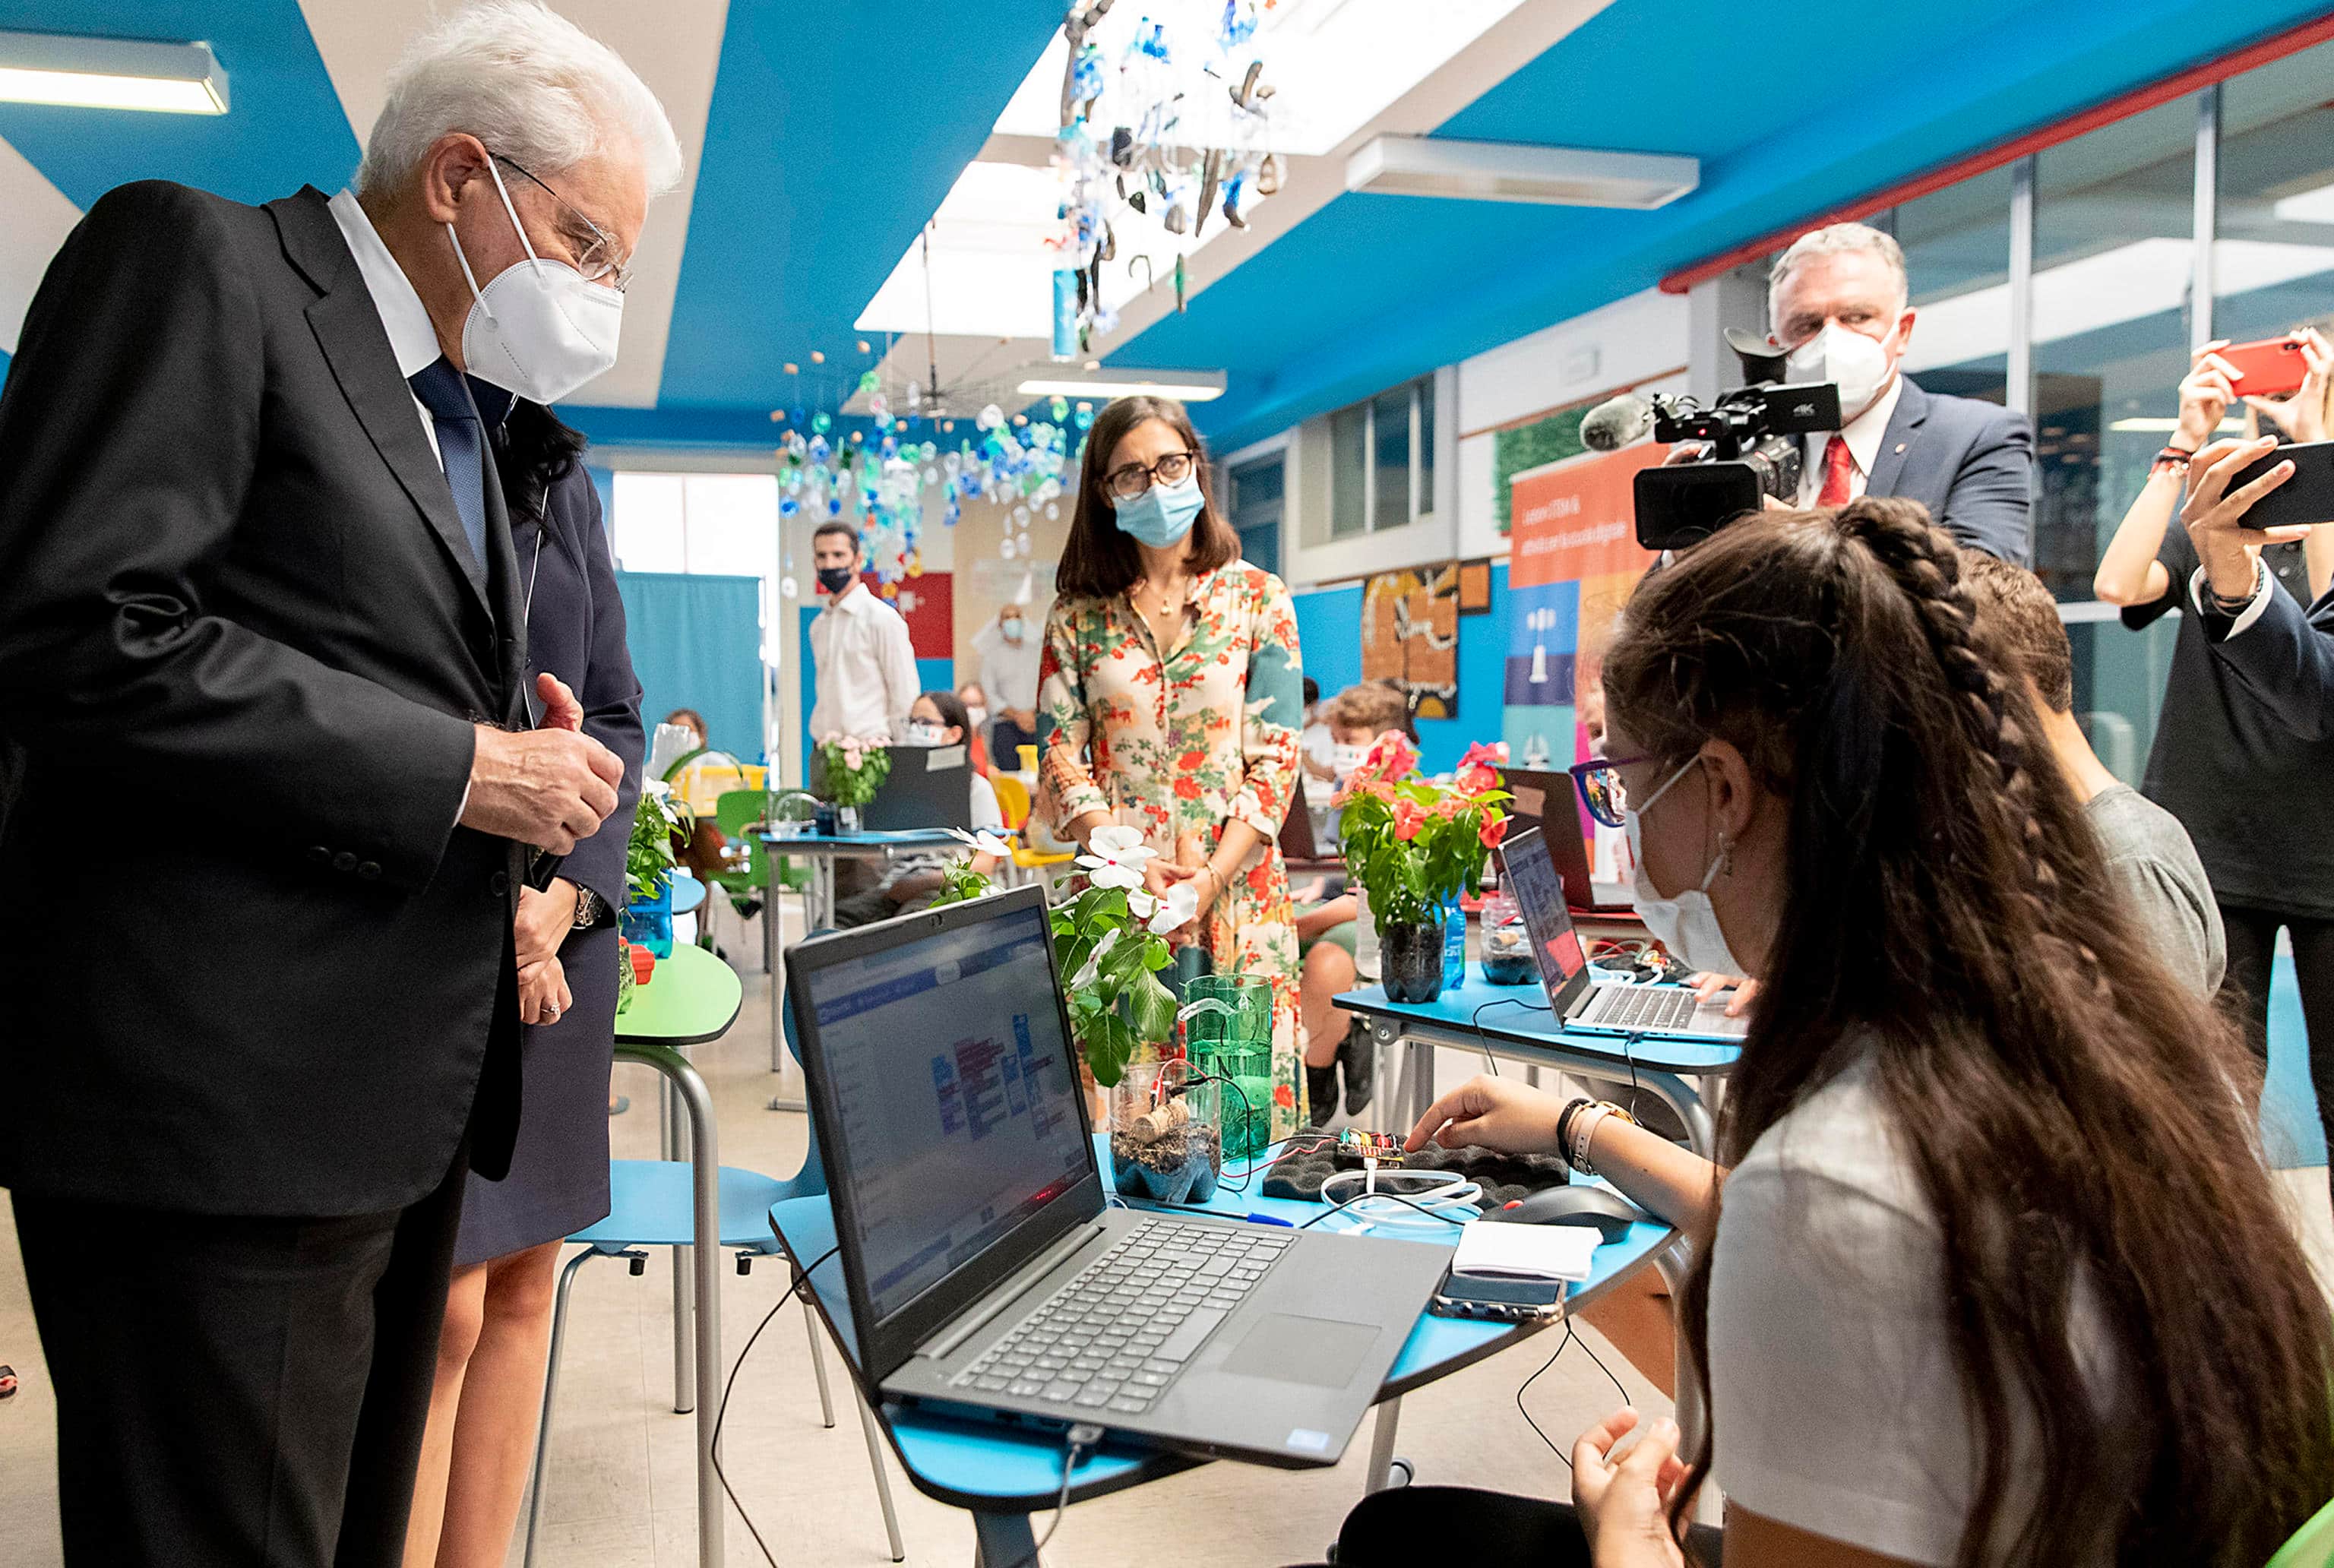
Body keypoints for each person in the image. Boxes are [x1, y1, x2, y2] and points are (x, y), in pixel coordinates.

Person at [1324, 498, 2334, 1568]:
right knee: (1410, 1533)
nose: (1617, 826)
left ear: (1721, 789)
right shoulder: (2057, 1024)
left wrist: (1629, 1541)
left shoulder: (1835, 1181)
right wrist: (1580, 1129)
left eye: (1618, 781)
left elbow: (1833, 1220)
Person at [0, 0, 671, 1558]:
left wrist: (524, 761)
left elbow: (350, 651)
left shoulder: (463, 416)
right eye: (587, 242)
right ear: (458, 178)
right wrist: (462, 767)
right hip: (220, 1105)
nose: (600, 293)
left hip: (396, 1104)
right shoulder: (203, 263)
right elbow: (79, 626)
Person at [403, 391, 644, 1567]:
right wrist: (500, 912)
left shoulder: (558, 471)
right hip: (428, 920)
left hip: (564, 922)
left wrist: (564, 899)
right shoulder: (387, 430)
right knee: (437, 1314)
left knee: (524, 1289)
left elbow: (615, 710)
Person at [1036, 396, 1309, 1136]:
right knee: (1128, 1123)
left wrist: (1212, 876)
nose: (1154, 486)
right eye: (1130, 474)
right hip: (1121, 901)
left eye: (1170, 464)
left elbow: (1277, 755)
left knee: (1239, 1124)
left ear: (1197, 467)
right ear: (1104, 492)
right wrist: (1118, 857)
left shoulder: (1258, 598)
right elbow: (1060, 753)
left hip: (1238, 897)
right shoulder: (1077, 617)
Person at [2092, 340, 2334, 1146]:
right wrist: (2185, 438)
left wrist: (2318, 438)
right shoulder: (2217, 528)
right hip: (2212, 833)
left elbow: (2321, 657)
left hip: (2322, 845)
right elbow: (2117, 586)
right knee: (2213, 1093)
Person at [1766, 223, 2034, 564]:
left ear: (1903, 332)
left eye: (1858, 317)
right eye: (1807, 325)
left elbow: (1981, 587)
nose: (1830, 340)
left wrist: (1795, 539)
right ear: (1776, 347)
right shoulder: (1753, 450)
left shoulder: (1978, 438)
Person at [1293, 681, 1413, 1123]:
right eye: (1338, 741)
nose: (1342, 751)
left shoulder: (1405, 799)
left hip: (1383, 919)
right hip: (1348, 901)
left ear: (1386, 743)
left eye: (1352, 742)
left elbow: (1377, 896)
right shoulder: (1351, 791)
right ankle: (1341, 1037)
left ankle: (1318, 1064)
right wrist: (1320, 888)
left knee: (1322, 958)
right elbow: (1351, 866)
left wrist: (1309, 921)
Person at [831, 690, 1006, 928]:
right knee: (836, 922)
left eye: (924, 722)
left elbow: (985, 864)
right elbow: (877, 857)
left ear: (953, 734)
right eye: (911, 722)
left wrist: (924, 882)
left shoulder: (976, 789)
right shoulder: (899, 790)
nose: (915, 729)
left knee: (908, 926)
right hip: (894, 888)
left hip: (945, 889)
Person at [807, 519, 918, 745]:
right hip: (826, 746)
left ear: (857, 561)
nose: (829, 564)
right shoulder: (819, 625)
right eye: (822, 556)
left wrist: (902, 752)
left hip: (872, 747)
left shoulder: (882, 618)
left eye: (839, 555)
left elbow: (904, 692)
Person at [975, 601, 1044, 761]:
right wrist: (1018, 716)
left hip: (1037, 722)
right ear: (999, 624)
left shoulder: (1037, 651)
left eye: (1016, 616)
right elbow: (988, 693)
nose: (1012, 621)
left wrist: (1031, 714)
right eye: (1007, 617)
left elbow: (1046, 686)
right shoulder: (991, 656)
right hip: (1005, 725)